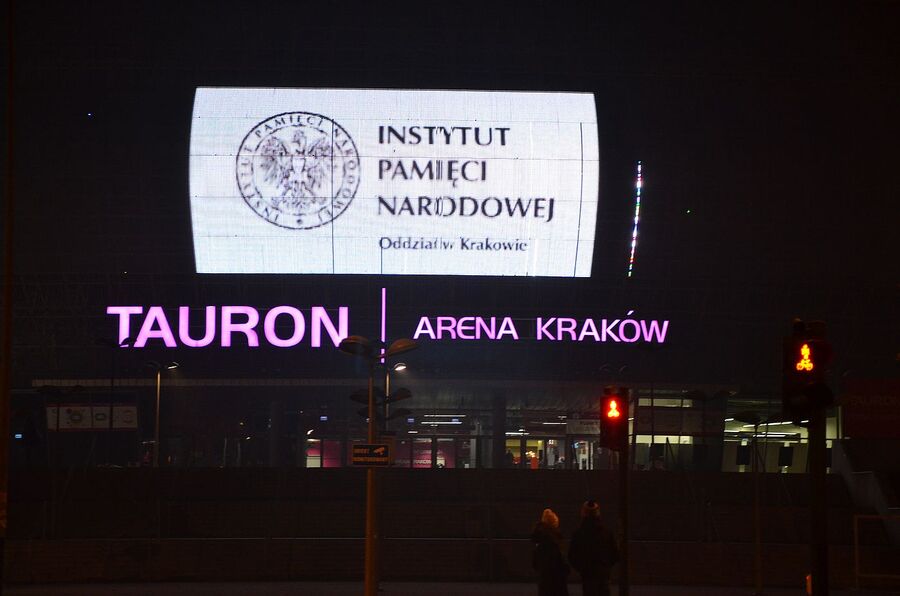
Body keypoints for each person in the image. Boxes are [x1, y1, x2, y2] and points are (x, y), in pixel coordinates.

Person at [567, 500, 619, 596]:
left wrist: (581, 568)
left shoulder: (578, 534)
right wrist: (606, 566)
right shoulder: (607, 533)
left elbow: (571, 555)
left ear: (583, 513)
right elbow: (615, 554)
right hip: (603, 573)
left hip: (587, 574)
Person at [531, 508, 569, 596]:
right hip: (557, 580)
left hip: (544, 579)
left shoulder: (540, 541)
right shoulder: (554, 542)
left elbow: (535, 562)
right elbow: (559, 560)